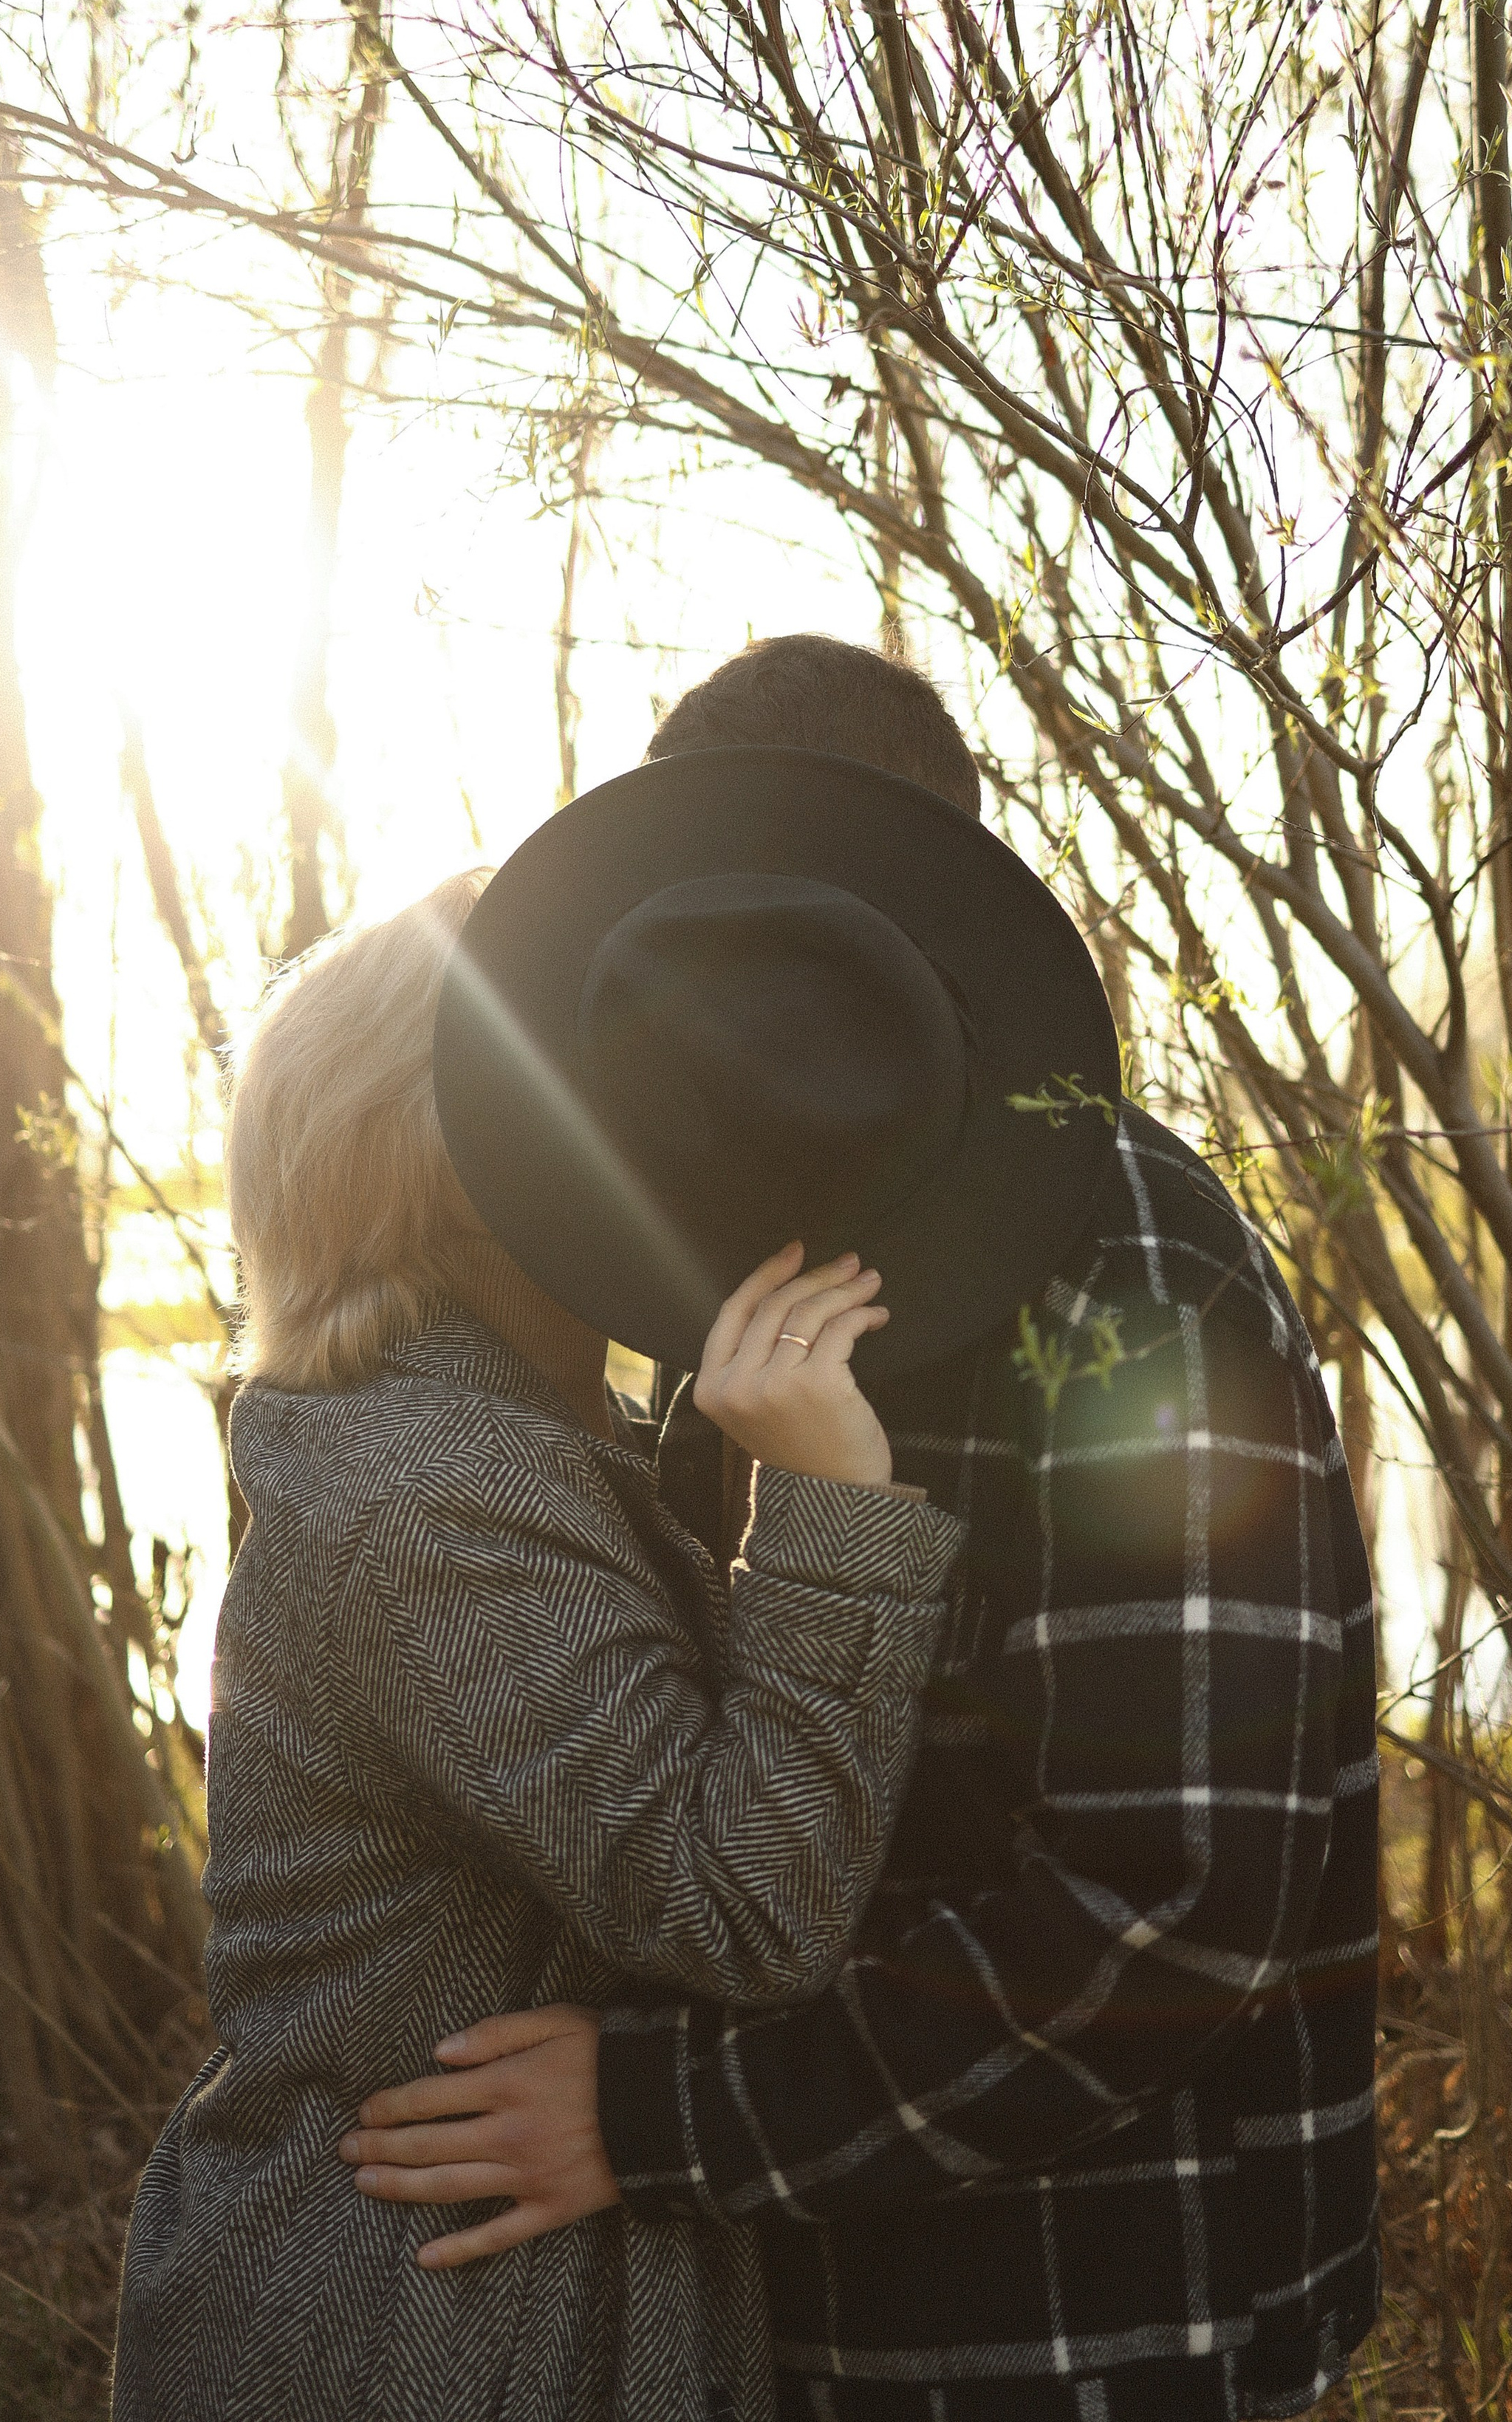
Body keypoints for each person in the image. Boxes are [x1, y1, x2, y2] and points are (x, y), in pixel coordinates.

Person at [340, 639, 1380, 2422]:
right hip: (793, 2300)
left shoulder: (1126, 1280)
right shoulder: (707, 1223)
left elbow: (1169, 1907)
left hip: (1095, 2326)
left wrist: (651, 2112)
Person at [111, 867, 963, 2422]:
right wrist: (831, 1508)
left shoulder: (505, 1443)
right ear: (460, 1161)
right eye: (599, 1096)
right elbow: (744, 1903)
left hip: (473, 2294)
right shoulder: (432, 1495)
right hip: (414, 2323)